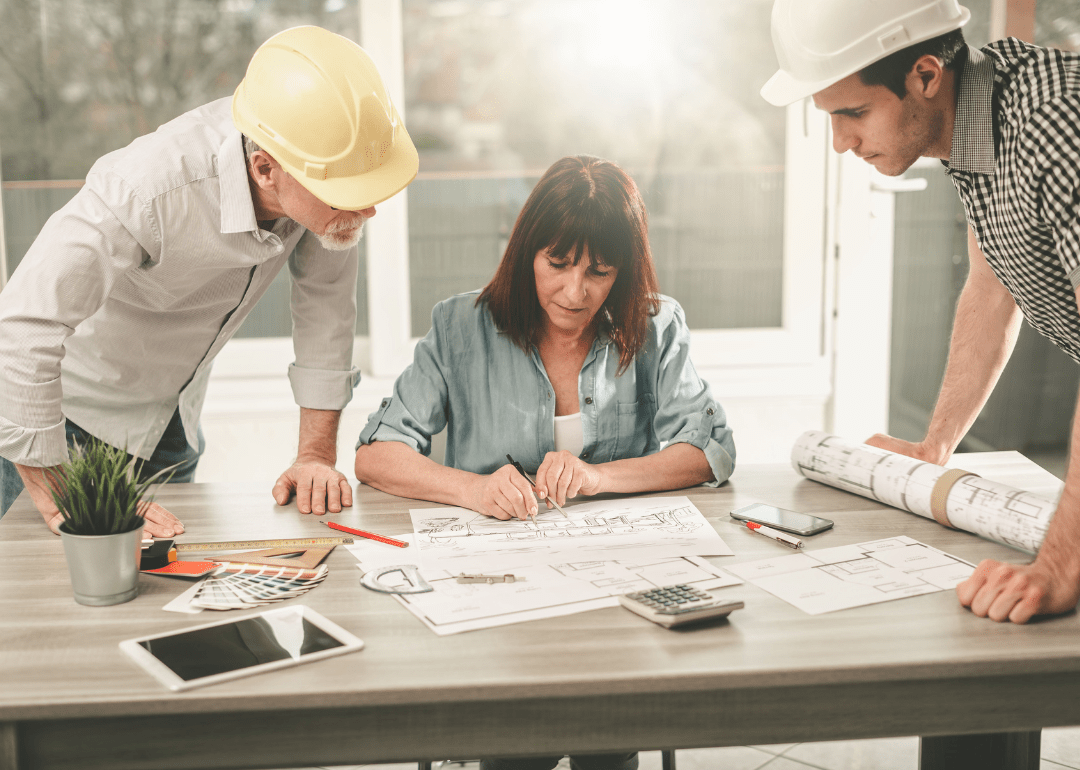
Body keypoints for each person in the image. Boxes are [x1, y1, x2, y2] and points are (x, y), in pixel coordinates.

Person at [355, 155, 734, 770]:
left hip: (616, 592)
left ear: (624, 273)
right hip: (498, 595)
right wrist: (471, 489)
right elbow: (378, 454)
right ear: (526, 251)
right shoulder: (460, 325)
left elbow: (708, 451)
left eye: (599, 272)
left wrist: (598, 477)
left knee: (607, 738)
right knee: (515, 739)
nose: (574, 291)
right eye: (557, 264)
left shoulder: (656, 324)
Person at [0, 25, 418, 537]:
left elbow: (326, 311)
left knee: (171, 596)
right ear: (265, 170)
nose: (369, 208)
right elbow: (23, 325)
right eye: (349, 193)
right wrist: (61, 492)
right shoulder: (145, 187)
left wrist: (314, 455)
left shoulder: (318, 186)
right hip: (61, 427)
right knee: (52, 598)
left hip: (171, 422)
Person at [762, 0, 1080, 624]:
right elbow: (992, 286)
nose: (840, 142)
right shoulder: (977, 126)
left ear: (926, 76)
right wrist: (935, 445)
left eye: (853, 112)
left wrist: (1060, 563)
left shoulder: (1052, 123)